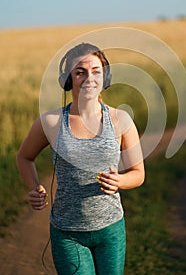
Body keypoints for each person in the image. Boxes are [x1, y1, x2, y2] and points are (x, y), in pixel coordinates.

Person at [16, 42, 145, 275]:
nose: (89, 78)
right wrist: (34, 188)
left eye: (96, 71)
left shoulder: (121, 120)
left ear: (105, 77)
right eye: (80, 72)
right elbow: (24, 157)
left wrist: (120, 182)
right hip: (68, 233)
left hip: (111, 231)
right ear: (68, 80)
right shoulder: (52, 122)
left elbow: (138, 173)